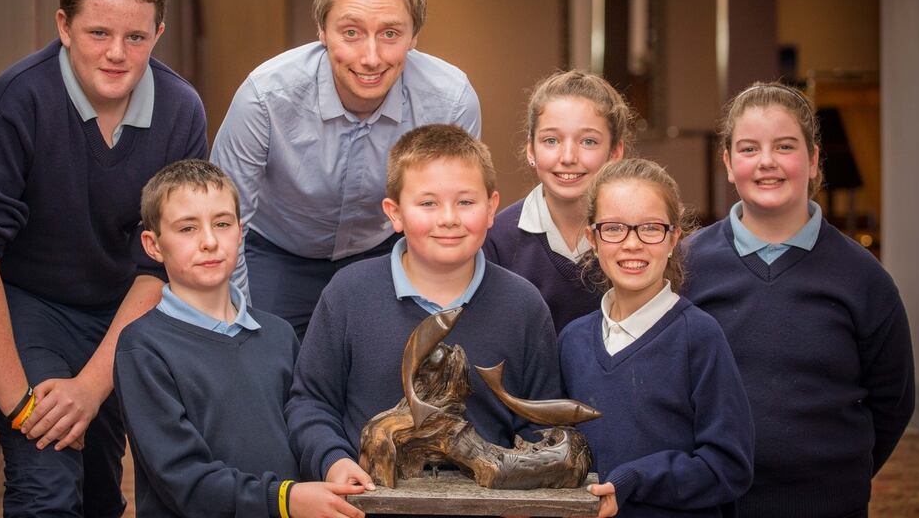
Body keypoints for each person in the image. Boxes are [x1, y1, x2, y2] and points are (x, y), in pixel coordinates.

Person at [0, 0, 207, 514]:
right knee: (46, 478)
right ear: (64, 26)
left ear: (158, 33)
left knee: (101, 491)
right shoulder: (14, 104)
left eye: (135, 37)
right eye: (97, 33)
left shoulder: (181, 111)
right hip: (22, 300)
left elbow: (159, 262)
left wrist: (89, 388)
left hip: (118, 308)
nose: (117, 54)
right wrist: (21, 408)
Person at [210, 0, 481, 341]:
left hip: (383, 250)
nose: (370, 57)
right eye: (351, 32)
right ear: (321, 30)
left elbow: (453, 219)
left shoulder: (451, 100)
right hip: (273, 252)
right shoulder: (265, 98)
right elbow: (222, 220)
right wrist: (243, 335)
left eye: (390, 33)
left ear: (414, 36)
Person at [683, 82, 915, 517]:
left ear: (813, 160)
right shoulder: (685, 267)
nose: (767, 162)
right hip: (713, 504)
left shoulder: (863, 277)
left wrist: (838, 477)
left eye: (785, 146)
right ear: (729, 164)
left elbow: (894, 401)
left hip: (828, 504)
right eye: (749, 149)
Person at [285, 124, 561, 486]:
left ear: (492, 207)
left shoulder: (523, 305)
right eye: (428, 203)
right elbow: (310, 404)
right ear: (394, 213)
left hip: (489, 508)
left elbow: (543, 422)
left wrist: (528, 484)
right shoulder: (348, 293)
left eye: (465, 202)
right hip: (370, 502)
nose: (448, 218)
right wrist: (333, 461)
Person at [113, 160, 366, 518]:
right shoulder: (142, 347)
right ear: (153, 245)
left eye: (222, 223)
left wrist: (331, 463)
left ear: (240, 231)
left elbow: (306, 425)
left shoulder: (279, 334)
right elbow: (184, 479)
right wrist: (286, 500)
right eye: (187, 228)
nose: (210, 241)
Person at [560, 158, 754, 518]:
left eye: (650, 228)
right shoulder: (571, 341)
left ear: (673, 237)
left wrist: (638, 480)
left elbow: (729, 466)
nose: (632, 244)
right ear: (592, 238)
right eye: (614, 228)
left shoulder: (700, 337)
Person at [484, 70, 628, 332]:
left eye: (588, 141)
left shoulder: (636, 237)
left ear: (615, 152)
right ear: (531, 149)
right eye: (551, 140)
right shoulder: (495, 240)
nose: (568, 156)